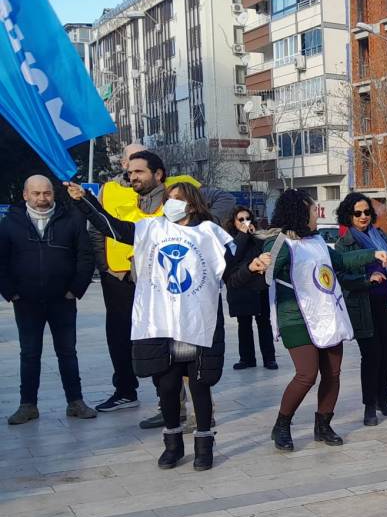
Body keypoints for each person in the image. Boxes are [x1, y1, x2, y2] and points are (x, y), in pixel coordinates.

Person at [68, 180, 239, 472]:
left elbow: (233, 274)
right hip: (160, 322)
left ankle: (204, 444)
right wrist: (84, 200)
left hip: (198, 322)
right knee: (168, 386)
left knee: (199, 387)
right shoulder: (151, 229)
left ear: (193, 204)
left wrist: (255, 268)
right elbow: (111, 226)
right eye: (169, 198)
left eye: (177, 198)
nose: (170, 203)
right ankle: (172, 444)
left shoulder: (210, 233)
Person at [229, 189, 387, 451]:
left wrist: (372, 255)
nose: (317, 214)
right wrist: (254, 267)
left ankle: (323, 424)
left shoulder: (317, 241)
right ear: (299, 213)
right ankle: (282, 425)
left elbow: (340, 260)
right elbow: (257, 281)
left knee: (333, 373)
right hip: (296, 319)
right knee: (306, 375)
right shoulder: (281, 244)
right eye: (312, 210)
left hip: (327, 314)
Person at [0, 176, 97, 425]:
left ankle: (75, 402)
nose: (42, 199)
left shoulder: (72, 219)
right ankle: (27, 405)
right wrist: (10, 291)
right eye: (36, 194)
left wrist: (75, 289)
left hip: (62, 300)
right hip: (27, 302)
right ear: (25, 195)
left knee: (67, 353)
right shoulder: (10, 223)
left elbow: (85, 256)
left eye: (47, 193)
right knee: (29, 353)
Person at [334, 193, 387, 426]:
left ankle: (383, 398)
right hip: (363, 305)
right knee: (371, 356)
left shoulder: (380, 235)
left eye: (367, 212)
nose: (363, 217)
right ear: (348, 216)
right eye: (358, 213)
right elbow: (341, 276)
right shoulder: (344, 244)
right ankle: (369, 405)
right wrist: (367, 279)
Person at [224, 206, 277, 371]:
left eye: (248, 218)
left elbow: (266, 253)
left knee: (264, 323)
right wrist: (243, 235)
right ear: (234, 222)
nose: (245, 222)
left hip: (258, 286)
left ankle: (269, 358)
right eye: (241, 219)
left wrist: (253, 236)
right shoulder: (230, 239)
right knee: (244, 324)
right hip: (240, 287)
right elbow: (233, 256)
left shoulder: (257, 237)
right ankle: (246, 359)